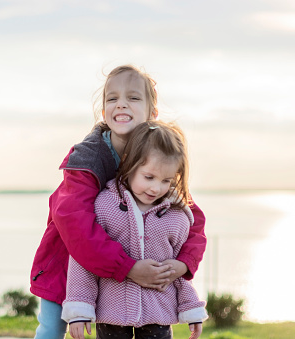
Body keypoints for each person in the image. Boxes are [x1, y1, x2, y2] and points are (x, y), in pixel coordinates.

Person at [29, 65, 207, 339]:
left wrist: (183, 263)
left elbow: (189, 220)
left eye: (133, 98)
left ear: (152, 112)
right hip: (68, 261)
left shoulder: (159, 158)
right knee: (52, 329)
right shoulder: (85, 160)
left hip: (120, 277)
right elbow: (76, 227)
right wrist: (129, 268)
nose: (121, 104)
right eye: (112, 98)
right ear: (103, 111)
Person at [62, 120, 208, 339]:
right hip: (111, 314)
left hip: (158, 313)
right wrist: (79, 310)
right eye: (149, 177)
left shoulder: (177, 216)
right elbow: (85, 261)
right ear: (130, 164)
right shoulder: (105, 206)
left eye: (166, 180)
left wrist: (191, 308)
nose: (155, 188)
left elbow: (175, 271)